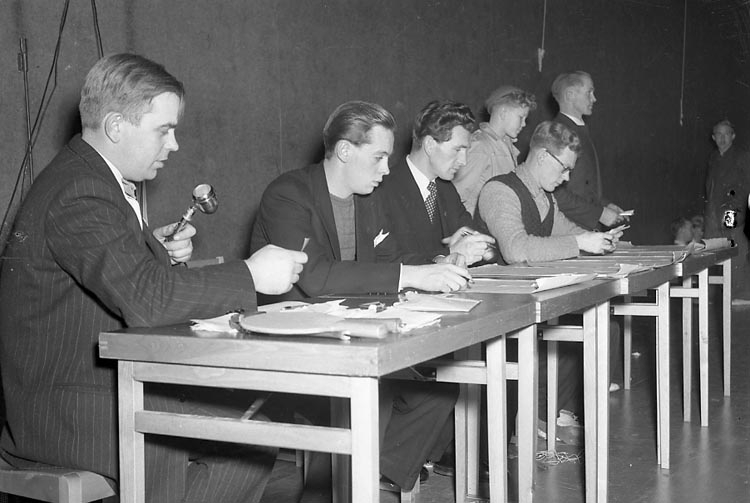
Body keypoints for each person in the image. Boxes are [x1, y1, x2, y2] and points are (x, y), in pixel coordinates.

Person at [0, 53, 308, 503]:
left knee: (252, 431)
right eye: (164, 130)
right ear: (116, 126)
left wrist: (152, 251)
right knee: (247, 437)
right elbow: (148, 301)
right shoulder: (80, 190)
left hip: (85, 389)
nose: (174, 144)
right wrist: (251, 273)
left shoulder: (88, 177)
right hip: (66, 410)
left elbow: (110, 278)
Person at [250, 100, 467, 494]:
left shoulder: (368, 199)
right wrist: (412, 275)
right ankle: (349, 484)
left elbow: (390, 259)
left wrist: (440, 264)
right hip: (292, 342)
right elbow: (315, 277)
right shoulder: (288, 195)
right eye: (379, 157)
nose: (387, 169)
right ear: (345, 151)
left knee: (436, 393)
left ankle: (373, 479)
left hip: (347, 337)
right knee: (363, 399)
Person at [477, 120, 623, 440]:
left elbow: (565, 231)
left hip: (527, 299)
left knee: (603, 326)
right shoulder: (499, 190)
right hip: (496, 306)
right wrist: (581, 242)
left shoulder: (545, 196)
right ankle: (535, 414)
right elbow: (516, 249)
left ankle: (548, 411)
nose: (567, 177)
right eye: (564, 168)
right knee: (584, 328)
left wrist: (603, 241)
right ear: (543, 156)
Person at [376, 100, 495, 266]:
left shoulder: (446, 190)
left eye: (466, 150)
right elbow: (385, 262)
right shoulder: (382, 190)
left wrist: (481, 247)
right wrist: (449, 253)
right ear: (430, 145)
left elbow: (489, 250)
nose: (463, 161)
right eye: (457, 149)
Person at [550, 71, 625, 231]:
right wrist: (598, 214)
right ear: (570, 95)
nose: (594, 98)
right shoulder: (558, 132)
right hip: (568, 230)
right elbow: (555, 193)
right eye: (589, 92)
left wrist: (605, 205)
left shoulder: (578, 129)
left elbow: (582, 185)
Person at [453, 86, 537, 216]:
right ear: (503, 113)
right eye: (521, 117)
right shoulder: (481, 147)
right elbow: (457, 195)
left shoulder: (506, 146)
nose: (524, 124)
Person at [703, 119, 750, 301]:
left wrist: (733, 210)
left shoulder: (742, 156)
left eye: (726, 134)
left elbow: (745, 186)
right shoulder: (713, 157)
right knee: (710, 251)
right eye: (719, 134)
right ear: (713, 137)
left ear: (733, 136)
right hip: (712, 214)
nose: (722, 138)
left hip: (732, 212)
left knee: (735, 247)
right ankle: (711, 294)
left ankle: (738, 294)